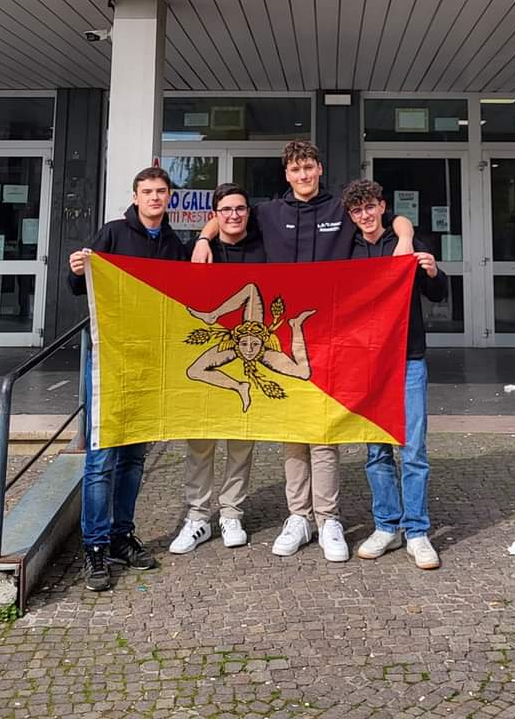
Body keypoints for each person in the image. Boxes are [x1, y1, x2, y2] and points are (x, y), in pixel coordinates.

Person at [192, 142, 414, 564]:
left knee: (323, 429)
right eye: (295, 169)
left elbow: (392, 217)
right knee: (292, 430)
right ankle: (299, 516)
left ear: (319, 169)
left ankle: (328, 519)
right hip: (282, 337)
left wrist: (404, 236)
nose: (303, 175)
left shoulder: (340, 210)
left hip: (332, 333)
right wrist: (204, 238)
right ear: (287, 175)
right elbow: (229, 217)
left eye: (309, 167)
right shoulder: (269, 212)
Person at [68, 165, 188, 593]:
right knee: (101, 458)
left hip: (150, 361)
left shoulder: (175, 246)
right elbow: (77, 287)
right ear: (136, 196)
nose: (155, 197)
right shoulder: (113, 234)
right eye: (147, 191)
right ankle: (95, 546)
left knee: (135, 457)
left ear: (169, 197)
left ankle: (121, 535)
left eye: (161, 191)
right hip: (110, 359)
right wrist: (77, 269)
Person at [344, 177, 447, 572]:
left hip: (408, 358)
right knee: (376, 451)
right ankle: (386, 525)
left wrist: (433, 271)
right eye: (357, 210)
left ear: (383, 207)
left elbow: (438, 294)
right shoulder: (347, 250)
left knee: (414, 449)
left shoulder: (407, 242)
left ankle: (416, 531)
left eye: (370, 207)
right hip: (367, 362)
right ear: (351, 216)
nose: (365, 215)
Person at [170, 183, 266, 556]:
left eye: (240, 208)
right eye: (226, 209)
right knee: (200, 438)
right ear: (215, 215)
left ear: (248, 212)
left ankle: (231, 513)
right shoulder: (196, 251)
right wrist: (202, 240)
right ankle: (197, 517)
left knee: (241, 441)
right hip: (217, 344)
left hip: (250, 346)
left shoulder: (264, 249)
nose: (234, 215)